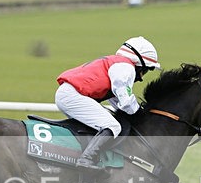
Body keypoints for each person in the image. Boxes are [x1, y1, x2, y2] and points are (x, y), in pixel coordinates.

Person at [55, 36, 161, 170]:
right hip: (72, 96)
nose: (140, 77)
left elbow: (117, 101)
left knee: (103, 124)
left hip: (69, 94)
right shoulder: (125, 67)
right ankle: (85, 159)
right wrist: (142, 116)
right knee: (113, 126)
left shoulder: (116, 63)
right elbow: (126, 101)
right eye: (145, 70)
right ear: (138, 63)